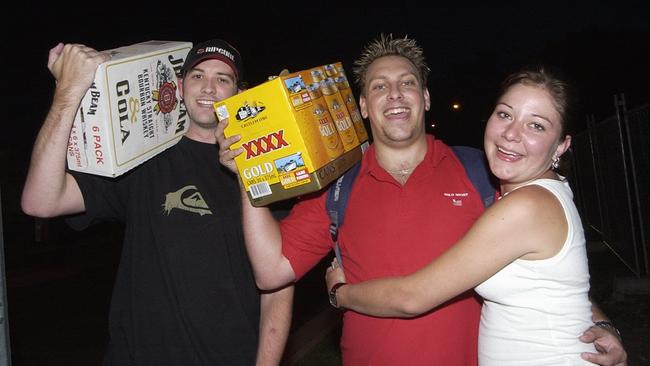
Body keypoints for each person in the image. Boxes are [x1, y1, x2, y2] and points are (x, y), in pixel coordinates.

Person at [217, 34, 625, 365]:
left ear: (425, 98)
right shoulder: (336, 187)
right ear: (362, 106)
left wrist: (602, 324)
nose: (395, 94)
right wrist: (247, 178)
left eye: (407, 83)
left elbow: (542, 276)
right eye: (379, 87)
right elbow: (270, 272)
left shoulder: (484, 173)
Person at [325, 65, 628, 365]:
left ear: (561, 145)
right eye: (505, 114)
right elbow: (556, 288)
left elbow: (412, 297)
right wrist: (603, 323)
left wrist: (341, 293)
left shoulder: (526, 206)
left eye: (536, 125)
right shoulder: (542, 192)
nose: (511, 133)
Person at [21, 39, 293, 365]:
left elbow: (278, 286)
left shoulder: (264, 165)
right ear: (179, 85)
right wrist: (67, 92)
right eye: (197, 75)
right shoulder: (141, 157)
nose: (209, 87)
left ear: (238, 92)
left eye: (223, 79)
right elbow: (41, 201)